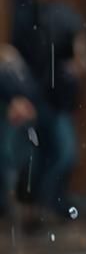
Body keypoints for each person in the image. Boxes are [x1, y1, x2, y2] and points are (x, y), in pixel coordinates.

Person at [12, 0, 86, 218]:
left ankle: (49, 202)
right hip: (34, 96)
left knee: (63, 153)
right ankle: (41, 204)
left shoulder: (64, 15)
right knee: (35, 154)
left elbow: (80, 49)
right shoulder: (24, 15)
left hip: (56, 98)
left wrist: (77, 65)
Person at [0, 44, 38, 219]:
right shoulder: (6, 72)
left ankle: (20, 201)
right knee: (8, 161)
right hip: (9, 121)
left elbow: (31, 92)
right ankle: (7, 203)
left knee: (24, 159)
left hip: (23, 122)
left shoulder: (22, 71)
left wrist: (26, 107)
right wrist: (12, 106)